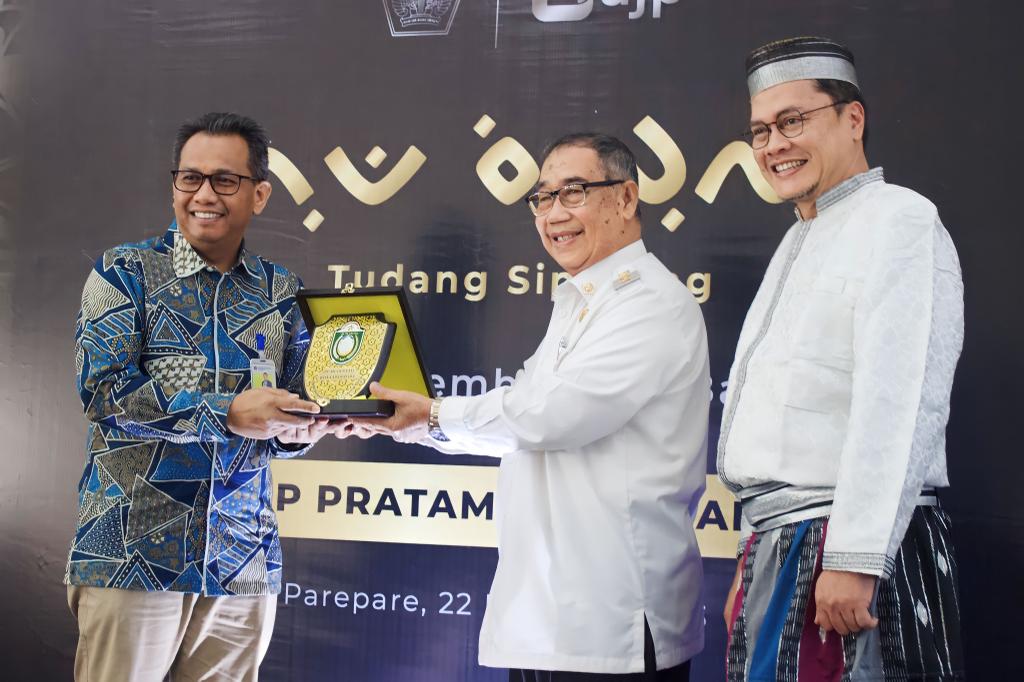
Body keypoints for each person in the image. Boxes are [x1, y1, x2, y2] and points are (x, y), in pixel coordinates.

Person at [342, 133, 709, 681]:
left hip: (613, 626)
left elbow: (549, 417)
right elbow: (525, 422)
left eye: (574, 191)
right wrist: (423, 424)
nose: (554, 213)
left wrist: (433, 417)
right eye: (543, 197)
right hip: (547, 622)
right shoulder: (580, 301)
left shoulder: (649, 302)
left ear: (626, 198)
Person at [718, 37, 966, 680]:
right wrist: (750, 557)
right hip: (781, 543)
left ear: (853, 118)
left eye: (792, 121)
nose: (773, 145)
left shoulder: (899, 219)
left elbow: (901, 399)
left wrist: (856, 558)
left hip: (846, 547)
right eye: (761, 131)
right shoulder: (800, 236)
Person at [65, 112, 336, 682]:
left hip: (242, 560)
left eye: (225, 180)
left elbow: (282, 420)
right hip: (134, 556)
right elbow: (106, 393)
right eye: (190, 178)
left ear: (259, 194)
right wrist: (228, 411)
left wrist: (302, 429)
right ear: (174, 186)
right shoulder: (125, 273)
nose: (204, 195)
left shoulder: (281, 291)